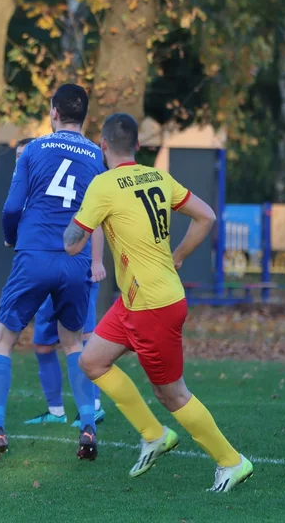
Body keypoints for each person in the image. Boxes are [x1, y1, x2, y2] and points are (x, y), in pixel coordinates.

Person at [68, 112, 253, 493]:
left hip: (151, 305)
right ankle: (154, 435)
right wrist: (179, 255)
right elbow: (207, 215)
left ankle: (231, 461)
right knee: (92, 361)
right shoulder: (157, 176)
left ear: (103, 146)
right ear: (137, 146)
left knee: (171, 393)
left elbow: (72, 243)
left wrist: (77, 223)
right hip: (140, 299)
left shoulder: (103, 185)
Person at [0, 84, 105, 462]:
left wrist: (9, 239)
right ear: (84, 115)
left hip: (34, 254)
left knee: (3, 341)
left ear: (53, 111)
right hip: (74, 260)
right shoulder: (98, 156)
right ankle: (87, 424)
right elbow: (100, 217)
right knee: (74, 345)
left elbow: (12, 207)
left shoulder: (34, 149)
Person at [11, 137, 107, 428]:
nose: (20, 160)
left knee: (84, 341)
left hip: (78, 270)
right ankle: (55, 411)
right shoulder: (30, 191)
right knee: (42, 343)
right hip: (45, 271)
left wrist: (96, 262)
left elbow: (96, 222)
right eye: (17, 155)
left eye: (23, 154)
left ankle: (94, 406)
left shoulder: (70, 183)